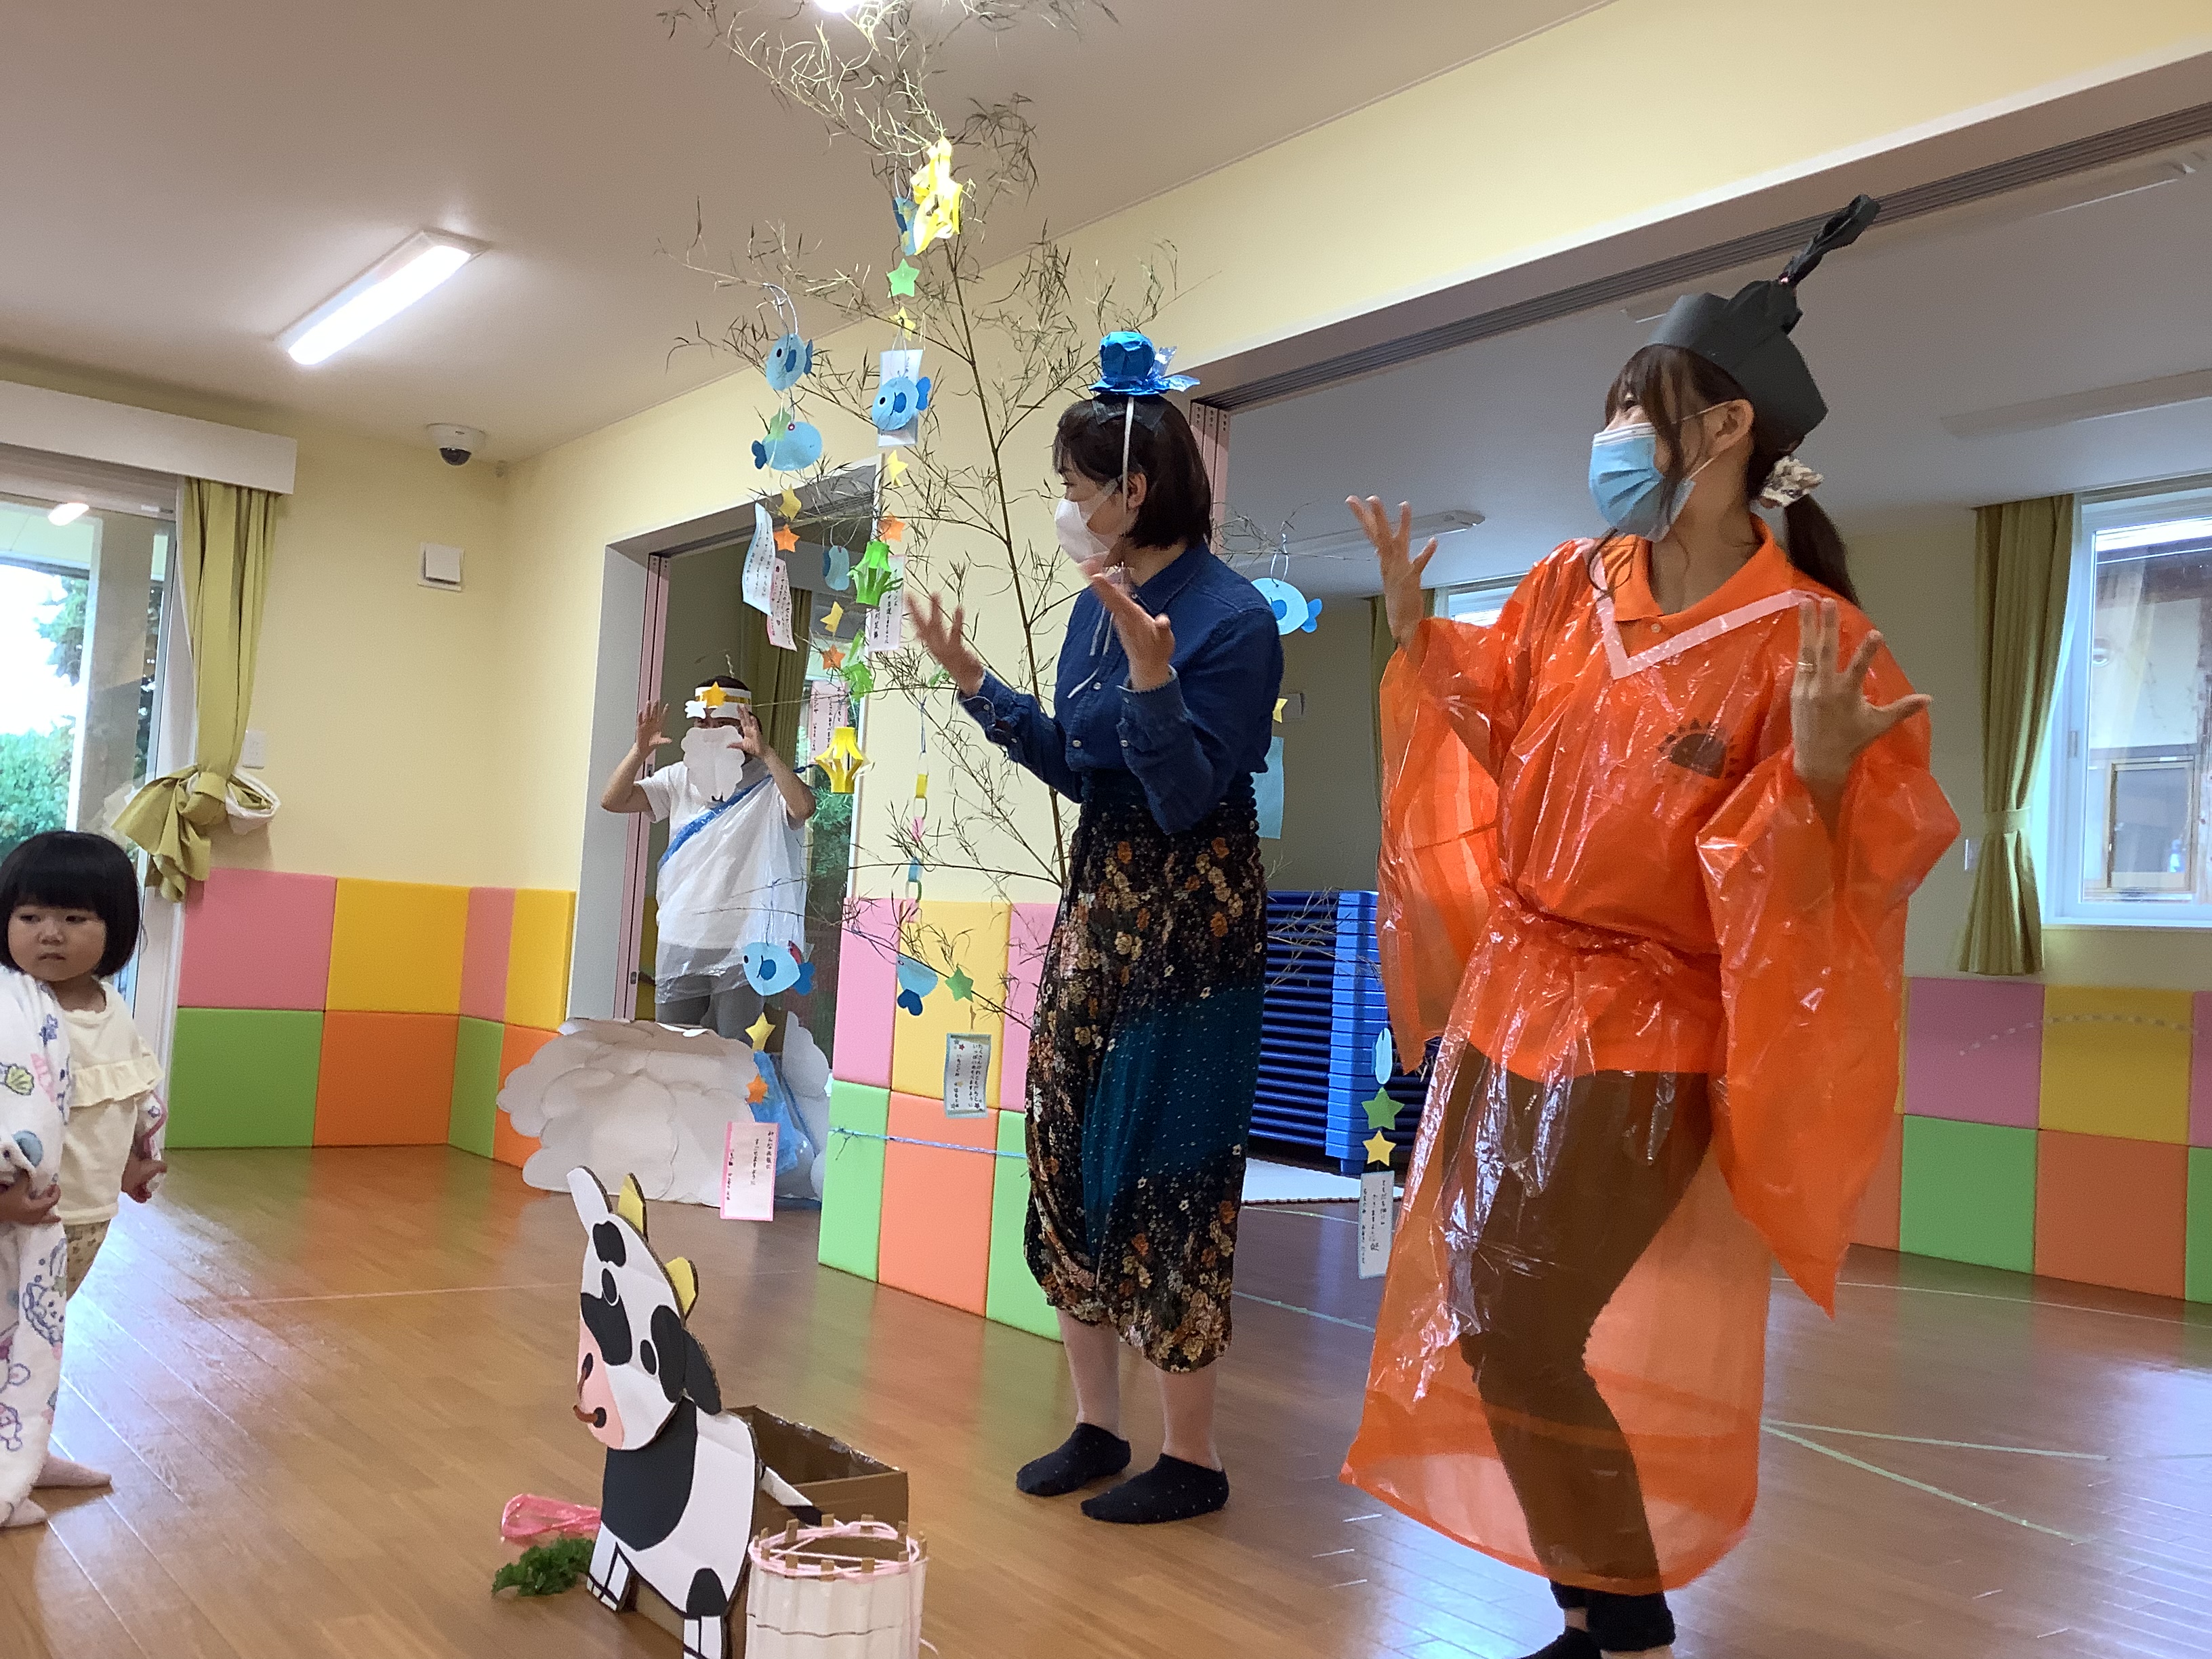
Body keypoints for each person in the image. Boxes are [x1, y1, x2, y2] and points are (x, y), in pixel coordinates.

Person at [1340, 200, 1959, 1659]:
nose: (1611, 435)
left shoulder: (1811, 640)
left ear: (1726, 426)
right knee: (1483, 1305)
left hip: (1651, 1025)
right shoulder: (1571, 584)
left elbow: (1863, 861)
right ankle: (1598, 1605)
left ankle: (1623, 1612)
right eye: (1613, 406)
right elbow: (1506, 726)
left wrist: (1815, 785)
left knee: (1520, 1317)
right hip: (1515, 996)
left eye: (1639, 408)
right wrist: (1418, 637)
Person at [906, 331, 1283, 1525]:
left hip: (1194, 917)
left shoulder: (1230, 618)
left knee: (1171, 1167)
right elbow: (1083, 766)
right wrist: (978, 687)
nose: (1066, 506)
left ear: (1134, 487)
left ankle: (1192, 1456)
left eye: (1076, 485)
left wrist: (1157, 682)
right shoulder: (1096, 603)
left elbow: (1183, 797)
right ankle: (1095, 1424)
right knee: (1065, 1147)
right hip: (1099, 901)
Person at [0, 831, 167, 1520]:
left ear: (114, 928)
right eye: (31, 915)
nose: (51, 934)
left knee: (36, 1341)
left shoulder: (109, 1006)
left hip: (86, 1219)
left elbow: (125, 1093)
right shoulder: (11, 1010)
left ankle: (24, 1447)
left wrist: (133, 1159)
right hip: (18, 1220)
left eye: (75, 918)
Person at [600, 677, 816, 1041]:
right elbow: (613, 800)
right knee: (674, 1049)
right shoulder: (678, 779)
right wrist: (639, 751)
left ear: (746, 724)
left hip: (744, 943)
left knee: (734, 1053)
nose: (710, 732)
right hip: (681, 936)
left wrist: (767, 754)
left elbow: (804, 807)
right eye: (702, 723)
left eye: (722, 724)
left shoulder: (769, 783)